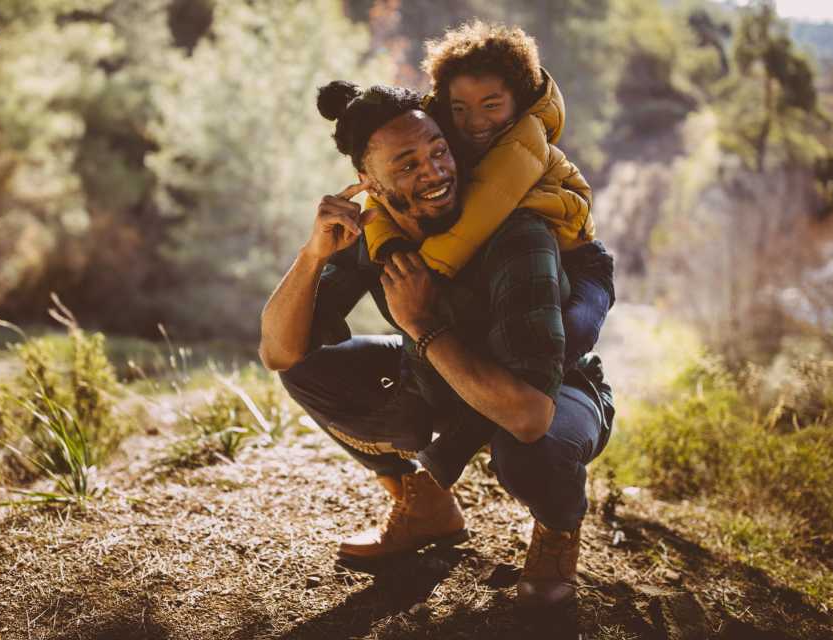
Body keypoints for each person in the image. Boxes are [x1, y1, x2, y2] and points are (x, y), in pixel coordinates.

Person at [258, 81, 613, 608]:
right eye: (406, 165)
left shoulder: (519, 236)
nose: (435, 172)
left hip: (556, 392)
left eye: (439, 151)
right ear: (369, 184)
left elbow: (529, 413)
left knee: (528, 450)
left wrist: (422, 325)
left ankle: (557, 532)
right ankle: (422, 506)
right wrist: (313, 256)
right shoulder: (377, 235)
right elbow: (279, 353)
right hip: (443, 380)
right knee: (310, 371)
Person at [359, 21, 616, 488]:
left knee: (565, 343)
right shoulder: (449, 141)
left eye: (491, 106)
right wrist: (389, 243)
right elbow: (376, 200)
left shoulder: (522, 144)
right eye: (460, 108)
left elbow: (477, 220)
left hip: (583, 266)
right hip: (539, 260)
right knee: (510, 351)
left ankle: (462, 442)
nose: (475, 122)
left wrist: (427, 274)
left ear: (518, 101)